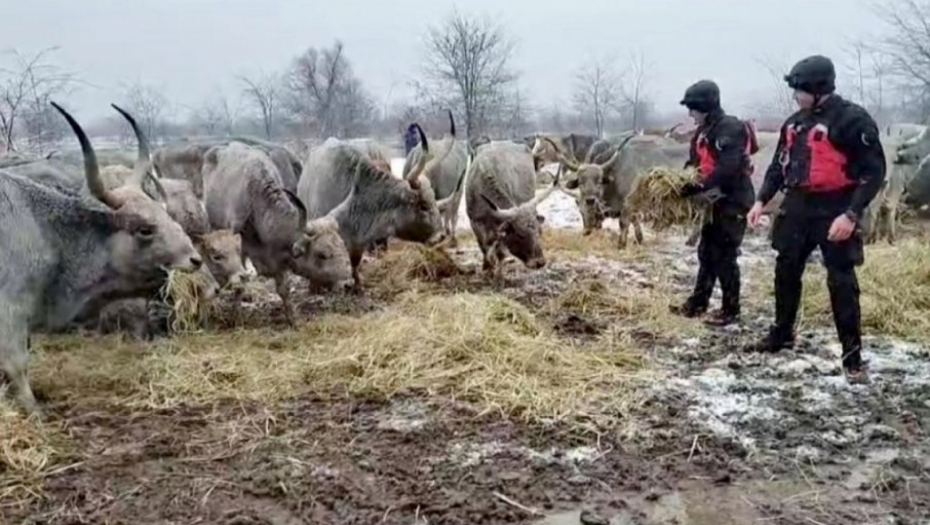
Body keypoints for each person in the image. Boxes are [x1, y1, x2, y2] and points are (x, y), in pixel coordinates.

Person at [746, 55, 885, 381]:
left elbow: (874, 172)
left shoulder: (853, 120)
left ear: (817, 88)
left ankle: (852, 357)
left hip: (836, 206)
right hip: (798, 205)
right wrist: (760, 200)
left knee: (841, 280)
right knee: (785, 269)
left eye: (799, 89)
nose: (795, 95)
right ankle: (782, 333)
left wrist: (851, 215)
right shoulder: (795, 123)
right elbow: (779, 166)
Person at [671, 80, 756, 327]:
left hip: (732, 200)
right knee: (706, 253)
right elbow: (694, 163)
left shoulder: (730, 127)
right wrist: (681, 180)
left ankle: (731, 309)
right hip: (712, 202)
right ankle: (698, 302)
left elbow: (728, 167)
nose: (690, 114)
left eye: (692, 109)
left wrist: (698, 186)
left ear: (704, 106)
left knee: (724, 254)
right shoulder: (703, 132)